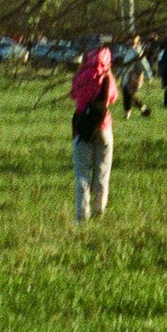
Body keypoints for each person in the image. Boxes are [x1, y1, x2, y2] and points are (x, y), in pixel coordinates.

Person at [70, 42, 119, 223]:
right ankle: (100, 212)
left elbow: (73, 94)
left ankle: (82, 216)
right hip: (104, 127)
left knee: (82, 173)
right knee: (102, 174)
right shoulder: (108, 77)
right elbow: (114, 97)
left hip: (83, 128)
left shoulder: (82, 76)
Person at [117, 34, 154, 117]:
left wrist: (149, 76)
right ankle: (142, 109)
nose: (131, 41)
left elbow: (144, 64)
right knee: (127, 94)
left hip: (135, 77)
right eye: (130, 39)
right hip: (127, 76)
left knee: (129, 94)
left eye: (134, 39)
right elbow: (123, 64)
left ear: (137, 40)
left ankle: (129, 113)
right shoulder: (127, 50)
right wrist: (118, 73)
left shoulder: (137, 51)